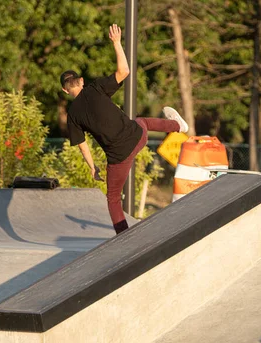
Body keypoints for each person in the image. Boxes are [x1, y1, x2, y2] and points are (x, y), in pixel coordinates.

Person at [60, 24, 189, 234]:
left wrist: (93, 168)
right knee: (143, 121)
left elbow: (83, 146)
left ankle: (123, 237)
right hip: (136, 137)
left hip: (118, 156)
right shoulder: (95, 88)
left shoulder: (73, 115)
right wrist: (117, 43)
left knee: (112, 199)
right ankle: (178, 125)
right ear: (81, 81)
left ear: (65, 90)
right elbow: (125, 71)